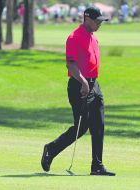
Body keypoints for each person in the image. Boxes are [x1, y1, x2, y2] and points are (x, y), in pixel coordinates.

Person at [41, 7, 116, 176]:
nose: (99, 24)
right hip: (78, 86)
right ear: (87, 18)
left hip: (94, 85)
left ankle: (97, 166)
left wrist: (90, 84)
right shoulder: (74, 37)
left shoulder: (93, 38)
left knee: (99, 125)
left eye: (101, 22)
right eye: (97, 21)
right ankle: (51, 149)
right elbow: (71, 64)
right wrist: (83, 82)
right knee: (82, 127)